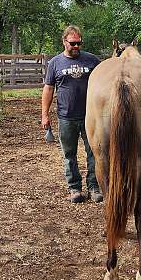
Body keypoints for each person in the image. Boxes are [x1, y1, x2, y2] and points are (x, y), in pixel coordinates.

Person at [42, 25, 103, 203]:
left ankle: (94, 186)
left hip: (90, 117)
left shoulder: (92, 61)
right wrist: (44, 114)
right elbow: (49, 89)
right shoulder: (55, 63)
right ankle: (74, 188)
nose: (76, 47)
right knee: (69, 155)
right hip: (66, 116)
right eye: (73, 43)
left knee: (94, 153)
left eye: (79, 43)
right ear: (64, 42)